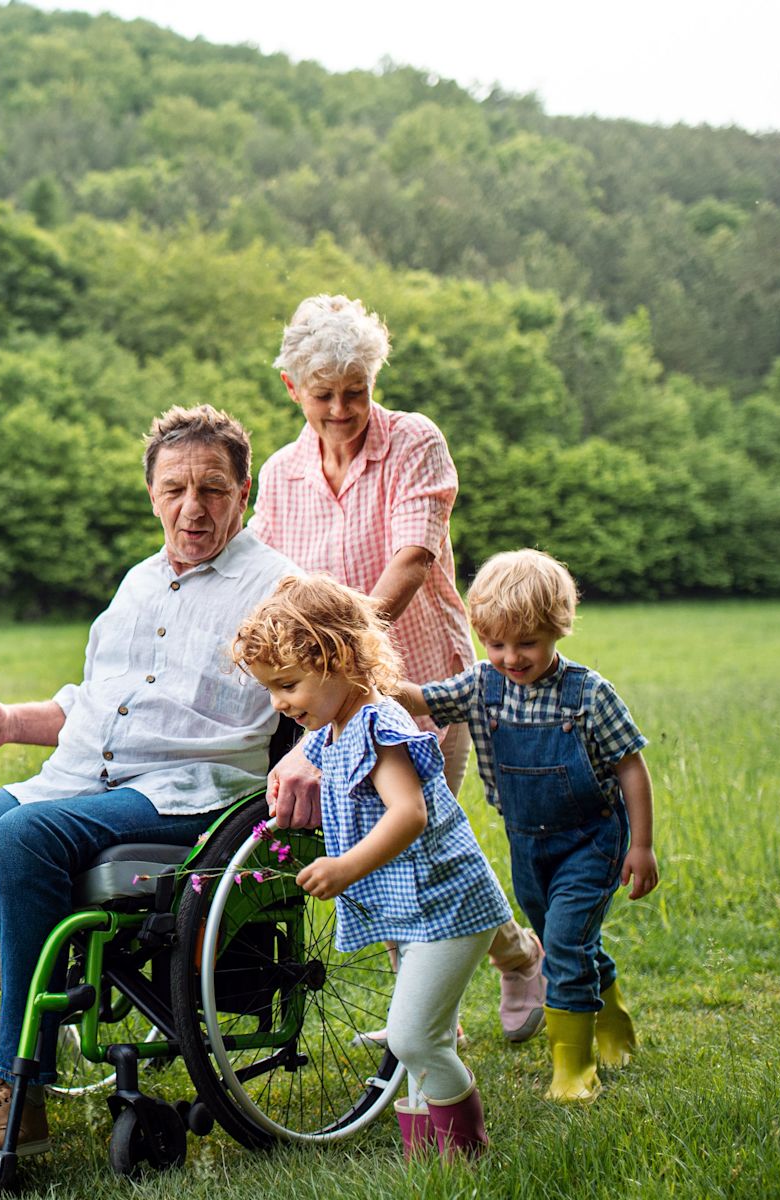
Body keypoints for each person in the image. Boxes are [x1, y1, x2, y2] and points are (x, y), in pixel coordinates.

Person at [0, 405, 297, 1167]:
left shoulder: (278, 587)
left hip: (187, 795)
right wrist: (7, 721)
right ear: (151, 494)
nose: (192, 508)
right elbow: (91, 703)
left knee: (25, 836)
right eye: (175, 489)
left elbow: (346, 687)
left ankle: (19, 1088)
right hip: (79, 781)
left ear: (246, 493)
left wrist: (306, 753)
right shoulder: (139, 583)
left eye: (212, 488)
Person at [250, 293, 547, 1043]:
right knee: (379, 839)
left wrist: (352, 645)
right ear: (293, 389)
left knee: (420, 837)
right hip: (333, 696)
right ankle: (446, 996)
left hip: (419, 680)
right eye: (325, 396)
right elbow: (272, 580)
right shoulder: (282, 473)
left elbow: (413, 557)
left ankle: (469, 989)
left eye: (358, 392)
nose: (343, 409)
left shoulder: (415, 442)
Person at [232, 573, 511, 1160]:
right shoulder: (335, 730)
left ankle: (468, 1153)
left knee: (414, 1037)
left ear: (337, 658)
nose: (280, 703)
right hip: (416, 908)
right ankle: (429, 1161)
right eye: (270, 691)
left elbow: (407, 813)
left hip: (449, 904)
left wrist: (344, 868)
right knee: (422, 1041)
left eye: (288, 685)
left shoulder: (377, 724)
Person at [395, 548, 659, 1101]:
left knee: (563, 941)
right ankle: (611, 1019)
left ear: (557, 630)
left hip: (593, 839)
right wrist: (363, 680)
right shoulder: (480, 685)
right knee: (572, 940)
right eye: (496, 644)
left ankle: (574, 1067)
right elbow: (421, 698)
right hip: (527, 845)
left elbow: (631, 766)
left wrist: (643, 845)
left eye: (527, 644)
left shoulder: (589, 695)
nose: (510, 657)